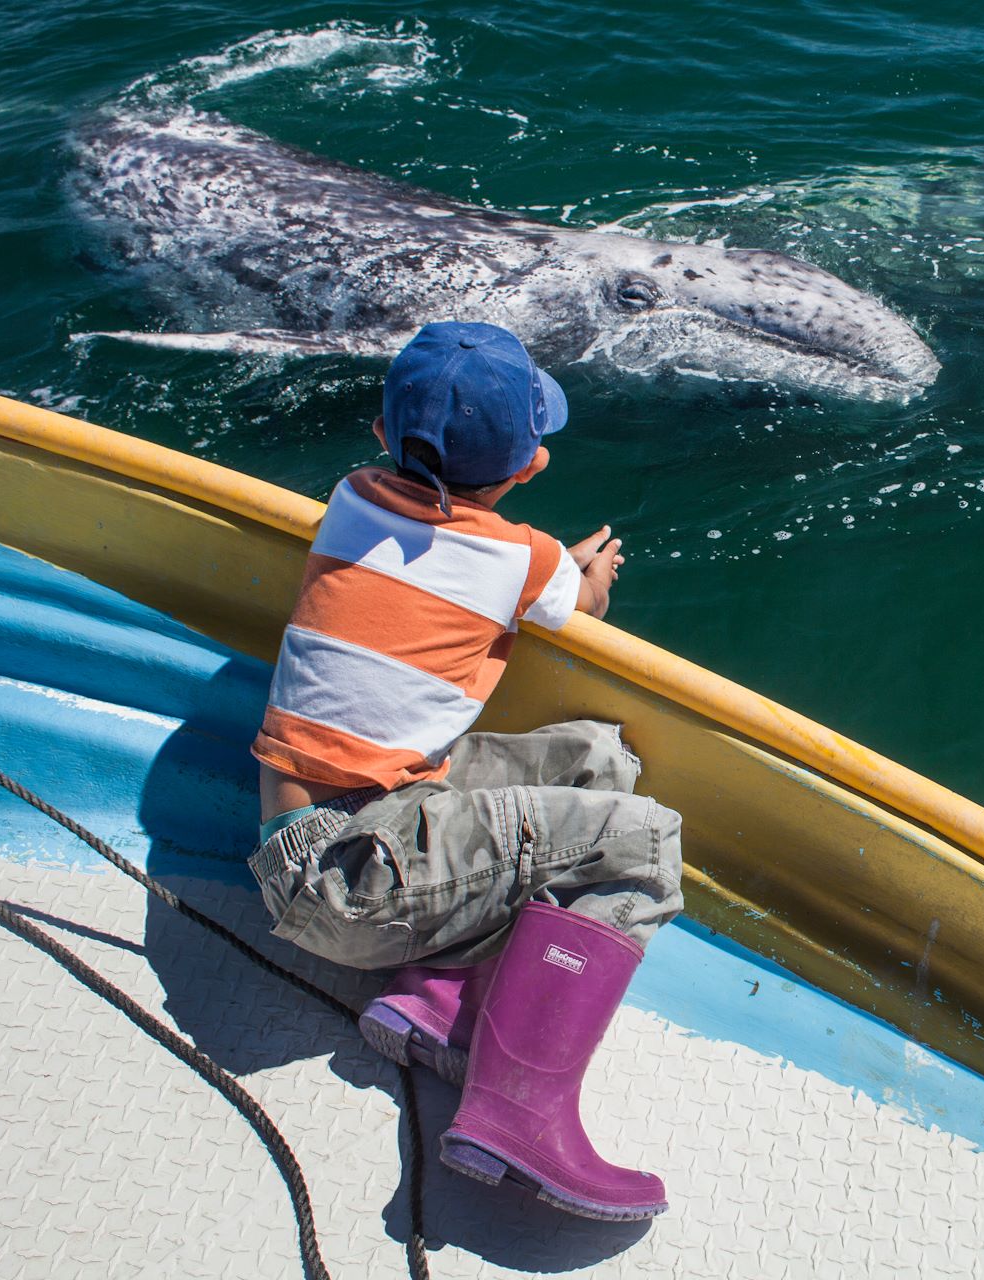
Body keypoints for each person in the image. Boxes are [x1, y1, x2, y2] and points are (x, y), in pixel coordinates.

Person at [245, 321, 683, 1221]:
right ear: (531, 466)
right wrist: (587, 569)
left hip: (329, 842)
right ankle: (515, 1115)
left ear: (378, 435)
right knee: (645, 842)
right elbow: (583, 605)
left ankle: (437, 999)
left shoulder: (350, 494)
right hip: (355, 876)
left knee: (599, 760)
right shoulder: (525, 559)